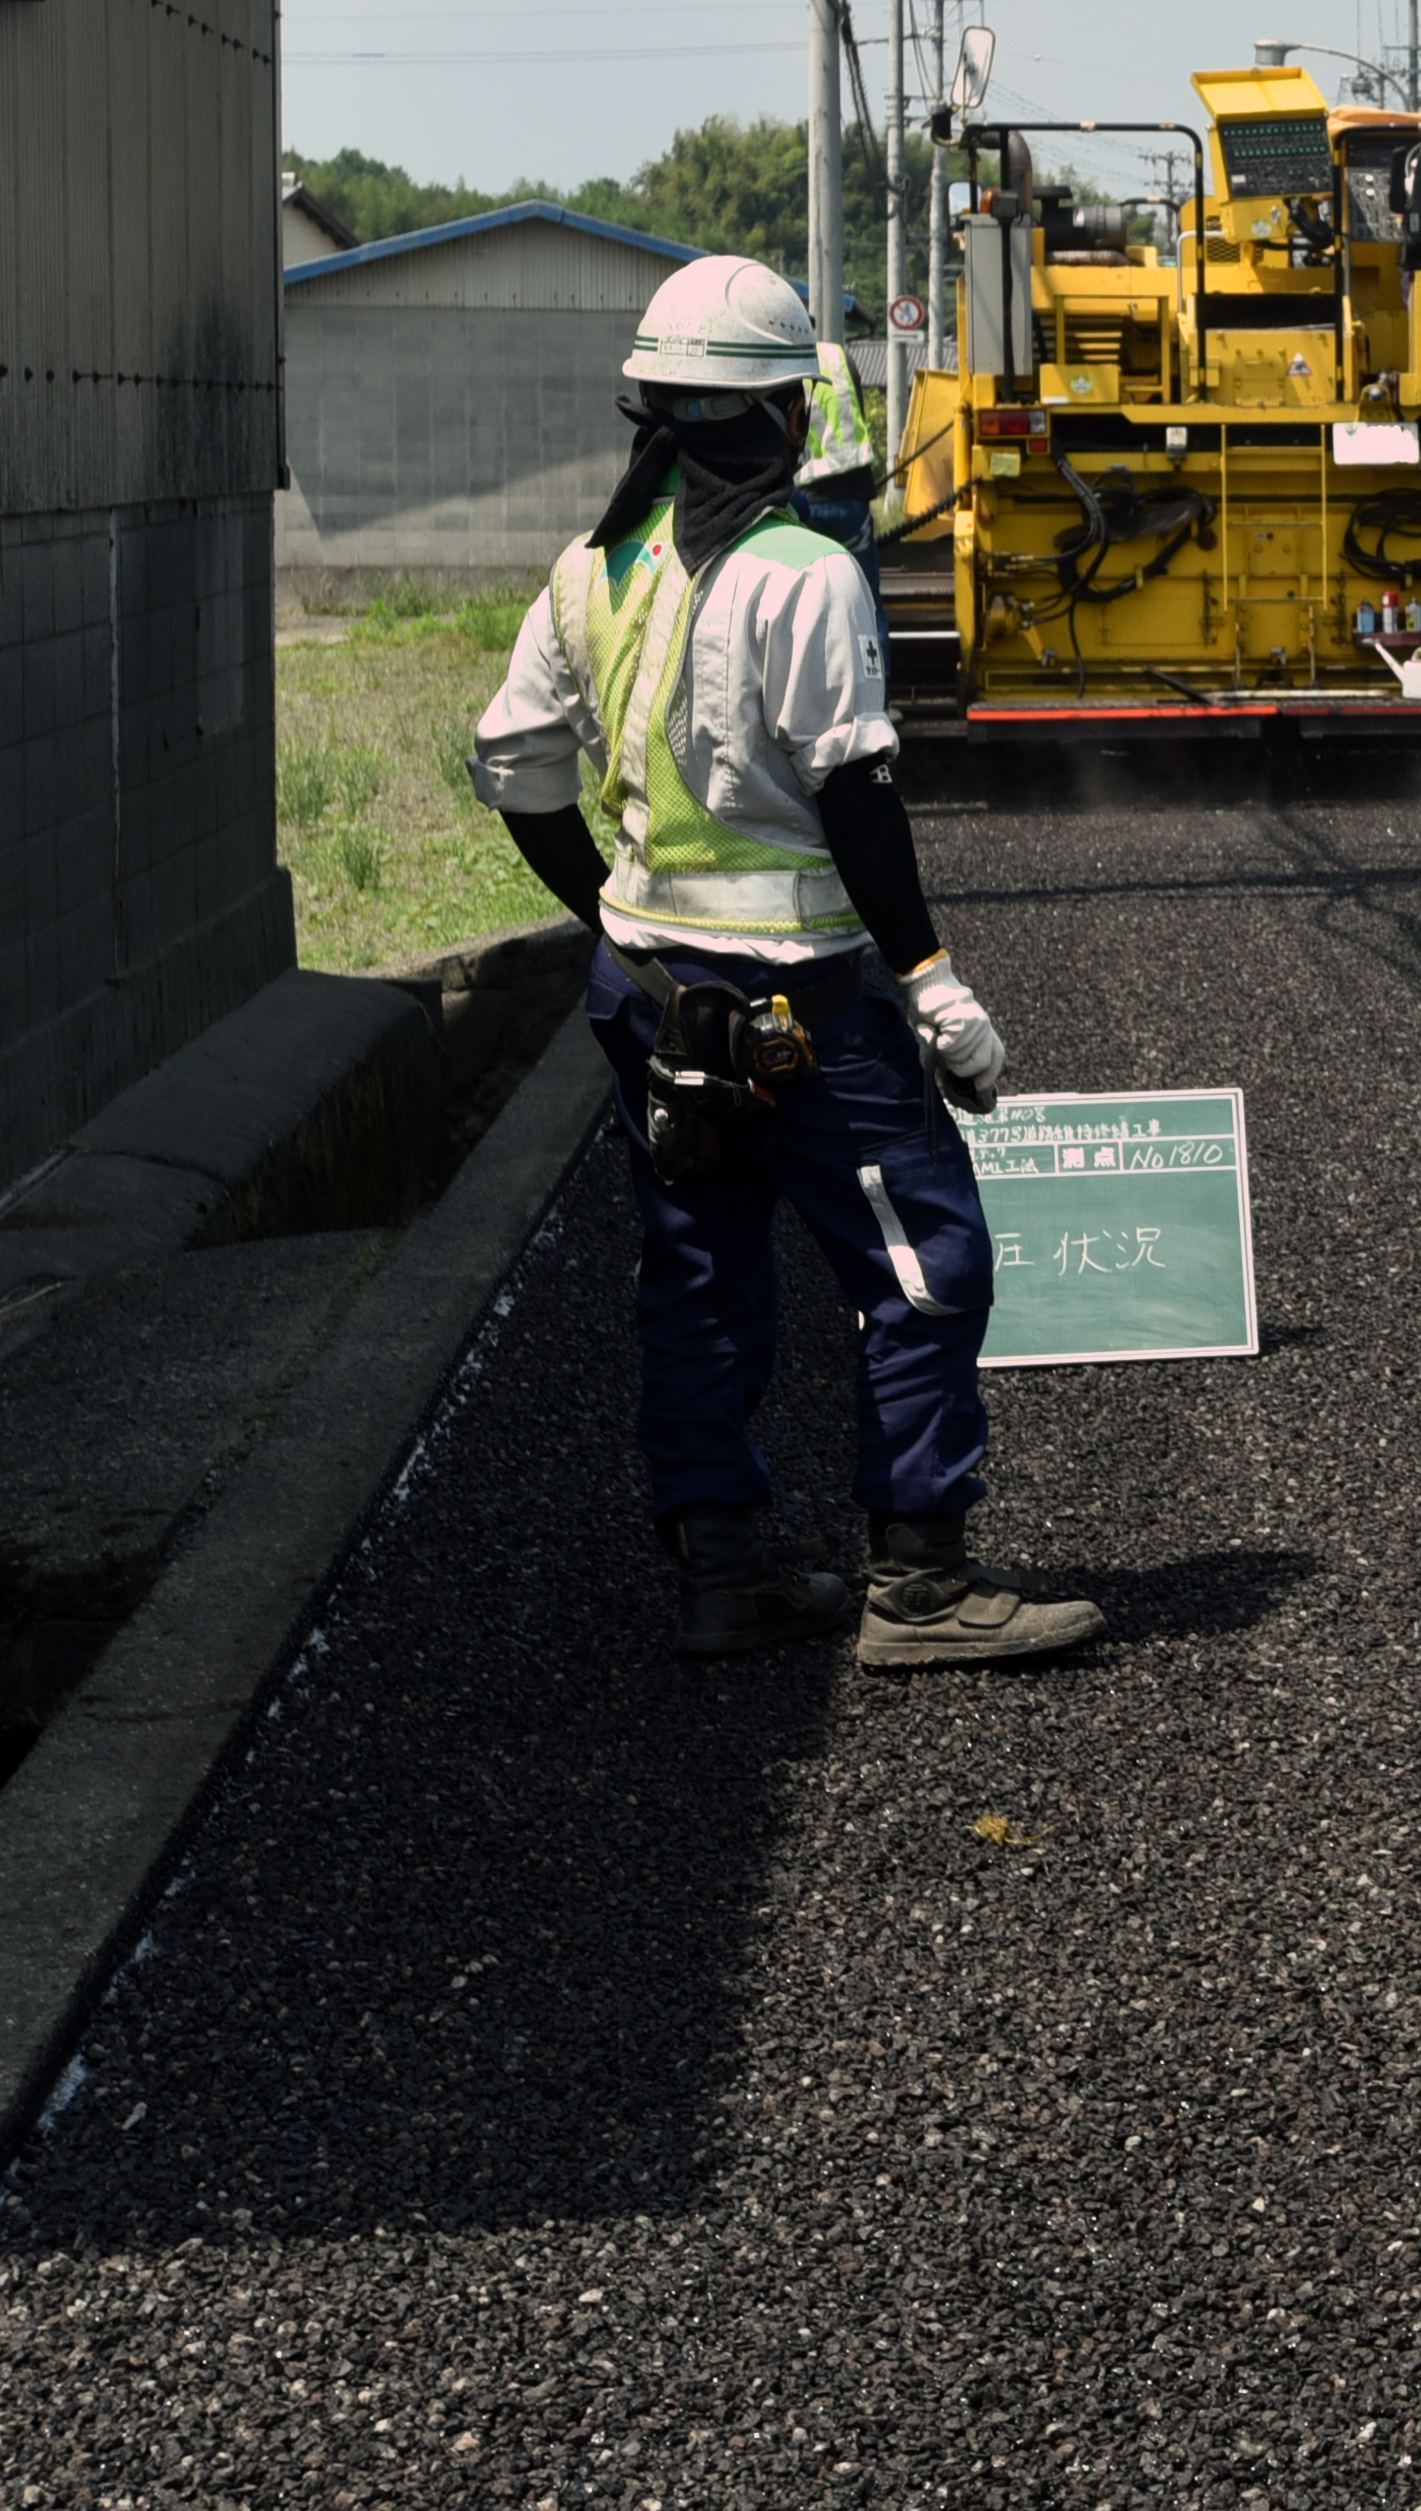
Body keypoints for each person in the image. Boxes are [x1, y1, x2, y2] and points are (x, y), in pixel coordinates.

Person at [471, 254, 1106, 1673]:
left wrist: (611, 922)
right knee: (925, 1259)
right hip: (801, 1001)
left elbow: (516, 769)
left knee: (698, 1277)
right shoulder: (806, 575)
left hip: (648, 998)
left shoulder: (587, 573)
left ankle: (726, 1576)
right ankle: (922, 1590)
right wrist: (935, 988)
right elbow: (858, 799)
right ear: (777, 414)